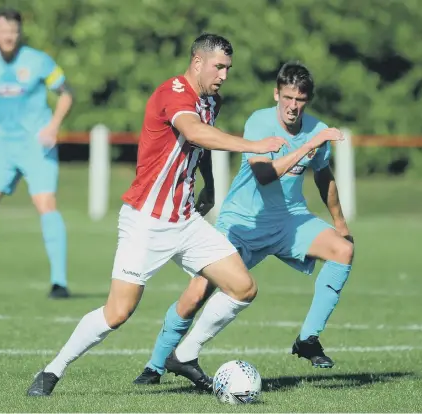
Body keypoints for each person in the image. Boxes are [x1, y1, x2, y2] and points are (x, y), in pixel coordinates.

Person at [26, 33, 288, 397]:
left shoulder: (212, 100)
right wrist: (254, 146)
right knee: (118, 312)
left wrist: (209, 185)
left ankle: (184, 354)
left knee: (243, 287)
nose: (224, 75)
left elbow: (202, 142)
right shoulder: (174, 93)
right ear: (197, 62)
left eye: (228, 68)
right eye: (219, 67)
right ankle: (52, 370)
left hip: (185, 219)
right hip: (146, 221)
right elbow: (194, 130)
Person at [133, 61, 353, 386]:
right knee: (198, 291)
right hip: (242, 223)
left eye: (300, 100)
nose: (293, 106)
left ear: (308, 100)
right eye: (288, 98)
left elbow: (323, 175)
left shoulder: (315, 128)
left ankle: (308, 339)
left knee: (342, 250)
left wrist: (340, 223)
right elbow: (264, 176)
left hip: (289, 221)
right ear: (276, 93)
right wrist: (308, 145)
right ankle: (156, 364)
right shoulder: (260, 122)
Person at [0, 7, 74, 299]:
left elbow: (66, 93)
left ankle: (59, 283)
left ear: (19, 33)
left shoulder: (39, 61)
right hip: (2, 146)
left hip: (36, 145)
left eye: (13, 31)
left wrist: (53, 126)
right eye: (3, 31)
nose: (8, 36)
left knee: (46, 203)